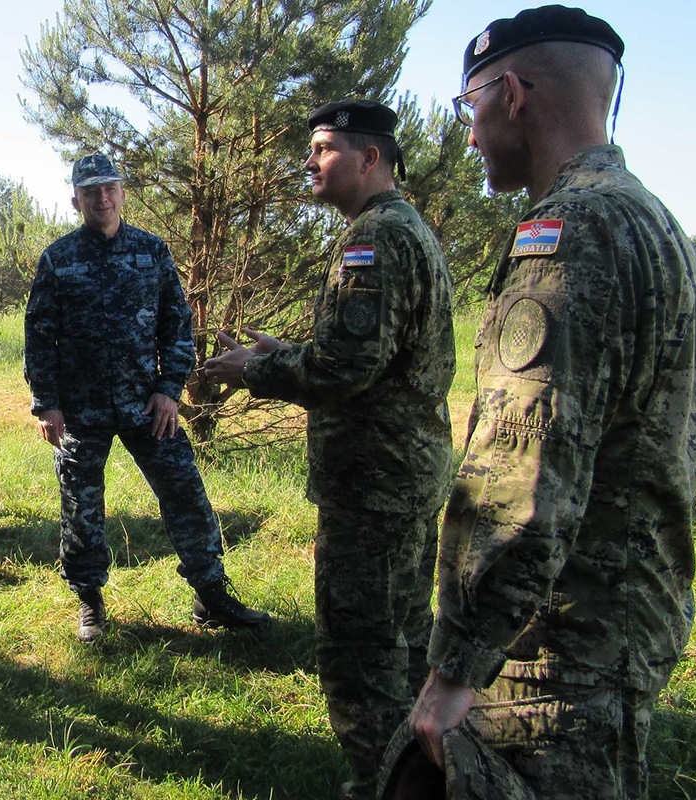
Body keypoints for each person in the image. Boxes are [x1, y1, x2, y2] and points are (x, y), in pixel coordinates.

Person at [408, 7, 696, 798]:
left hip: (552, 647)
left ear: (512, 92)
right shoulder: (655, 222)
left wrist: (454, 669)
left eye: (467, 107)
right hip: (625, 624)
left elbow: (519, 484)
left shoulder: (568, 231)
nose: (467, 134)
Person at [204, 100, 456, 800]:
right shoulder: (407, 230)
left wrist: (254, 371)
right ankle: (416, 782)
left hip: (372, 488)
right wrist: (292, 351)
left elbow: (346, 370)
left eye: (322, 148)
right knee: (404, 648)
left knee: (361, 663)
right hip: (405, 480)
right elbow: (382, 355)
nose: (308, 162)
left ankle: (384, 783)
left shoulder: (372, 241)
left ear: (369, 158)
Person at [24, 153, 270, 643]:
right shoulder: (58, 258)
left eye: (110, 187)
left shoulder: (151, 252)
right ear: (76, 199)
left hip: (146, 405)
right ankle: (90, 600)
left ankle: (210, 592)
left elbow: (176, 325)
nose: (102, 197)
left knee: (185, 492)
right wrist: (46, 403)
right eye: (91, 190)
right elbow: (39, 336)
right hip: (81, 409)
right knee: (81, 505)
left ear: (122, 193)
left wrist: (169, 390)